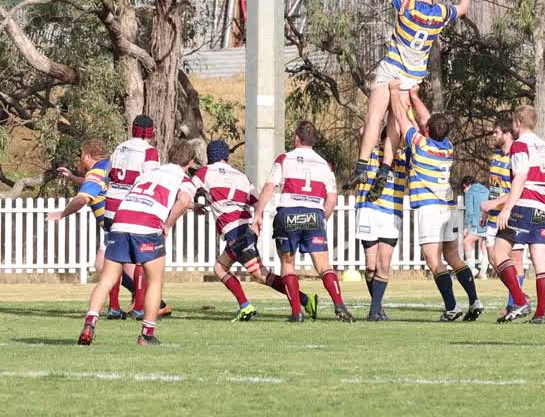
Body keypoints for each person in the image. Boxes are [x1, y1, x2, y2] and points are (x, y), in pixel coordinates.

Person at [355, 0, 481, 192]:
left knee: (374, 118)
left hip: (393, 67)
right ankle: (385, 167)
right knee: (396, 122)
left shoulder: (407, 5)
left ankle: (361, 167)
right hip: (412, 76)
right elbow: (464, 8)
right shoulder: (440, 14)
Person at [78, 140, 197, 347]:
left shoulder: (149, 174)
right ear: (190, 162)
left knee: (106, 279)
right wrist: (167, 224)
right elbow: (184, 201)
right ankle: (147, 334)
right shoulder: (184, 179)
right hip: (147, 226)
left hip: (120, 220)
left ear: (169, 155)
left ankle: (89, 324)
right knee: (155, 281)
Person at [191, 140, 317, 322]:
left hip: (234, 233)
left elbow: (189, 189)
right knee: (259, 275)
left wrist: (197, 203)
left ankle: (246, 306)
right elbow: (257, 203)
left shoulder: (205, 172)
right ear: (226, 156)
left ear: (210, 156)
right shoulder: (242, 177)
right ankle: (304, 299)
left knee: (222, 268)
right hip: (247, 230)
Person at [387, 84, 483, 322]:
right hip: (448, 207)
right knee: (453, 256)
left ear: (427, 131)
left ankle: (451, 308)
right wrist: (414, 96)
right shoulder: (447, 147)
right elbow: (427, 119)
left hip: (429, 207)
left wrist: (393, 92)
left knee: (434, 260)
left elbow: (400, 117)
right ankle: (474, 300)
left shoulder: (421, 144)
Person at [252, 121, 354, 322]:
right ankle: (339, 304)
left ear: (297, 139)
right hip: (314, 214)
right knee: (324, 266)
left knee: (288, 266)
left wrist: (258, 213)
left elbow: (269, 186)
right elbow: (332, 198)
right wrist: (320, 218)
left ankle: (297, 312)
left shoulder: (284, 159)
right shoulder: (325, 164)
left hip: (288, 213)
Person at [46, 140, 134, 320]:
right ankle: (126, 305)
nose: (80, 159)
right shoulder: (107, 166)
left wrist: (62, 213)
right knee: (108, 265)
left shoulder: (96, 171)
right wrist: (71, 177)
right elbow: (92, 184)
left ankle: (150, 302)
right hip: (119, 223)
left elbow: (84, 197)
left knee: (116, 266)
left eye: (81, 156)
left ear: (87, 155)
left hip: (115, 226)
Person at [489, 105, 545, 324]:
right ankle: (540, 314)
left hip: (525, 205)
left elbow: (519, 178)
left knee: (498, 253)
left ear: (517, 123)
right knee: (540, 260)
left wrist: (508, 208)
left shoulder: (520, 145)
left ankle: (519, 300)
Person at [106, 115, 163, 317]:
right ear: (151, 131)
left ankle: (113, 307)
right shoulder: (149, 151)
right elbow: (150, 181)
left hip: (111, 206)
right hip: (131, 208)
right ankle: (139, 308)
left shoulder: (119, 147)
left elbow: (109, 175)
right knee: (141, 258)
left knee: (115, 258)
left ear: (133, 129)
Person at [354, 129, 407, 321]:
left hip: (390, 214)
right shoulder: (371, 153)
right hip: (368, 211)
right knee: (370, 266)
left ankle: (374, 310)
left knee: (383, 264)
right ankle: (378, 306)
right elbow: (363, 131)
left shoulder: (403, 158)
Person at [483, 118, 524, 317]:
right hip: (493, 216)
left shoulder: (516, 157)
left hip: (511, 216)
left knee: (514, 261)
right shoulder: (496, 157)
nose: (493, 135)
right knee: (494, 260)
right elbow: (495, 188)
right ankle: (520, 298)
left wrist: (496, 204)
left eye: (496, 132)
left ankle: (514, 304)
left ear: (507, 133)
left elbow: (519, 190)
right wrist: (487, 208)